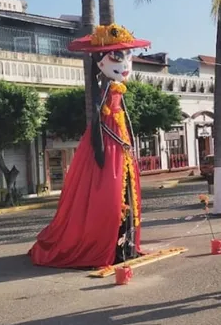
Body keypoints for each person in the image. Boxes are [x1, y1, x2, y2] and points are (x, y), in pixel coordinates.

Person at [29, 25, 151, 268]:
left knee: (122, 192)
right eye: (116, 57)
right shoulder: (104, 91)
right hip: (110, 145)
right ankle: (108, 245)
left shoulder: (116, 90)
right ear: (100, 61)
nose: (125, 64)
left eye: (128, 56)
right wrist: (111, 145)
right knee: (109, 195)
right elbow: (99, 123)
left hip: (119, 143)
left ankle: (123, 244)